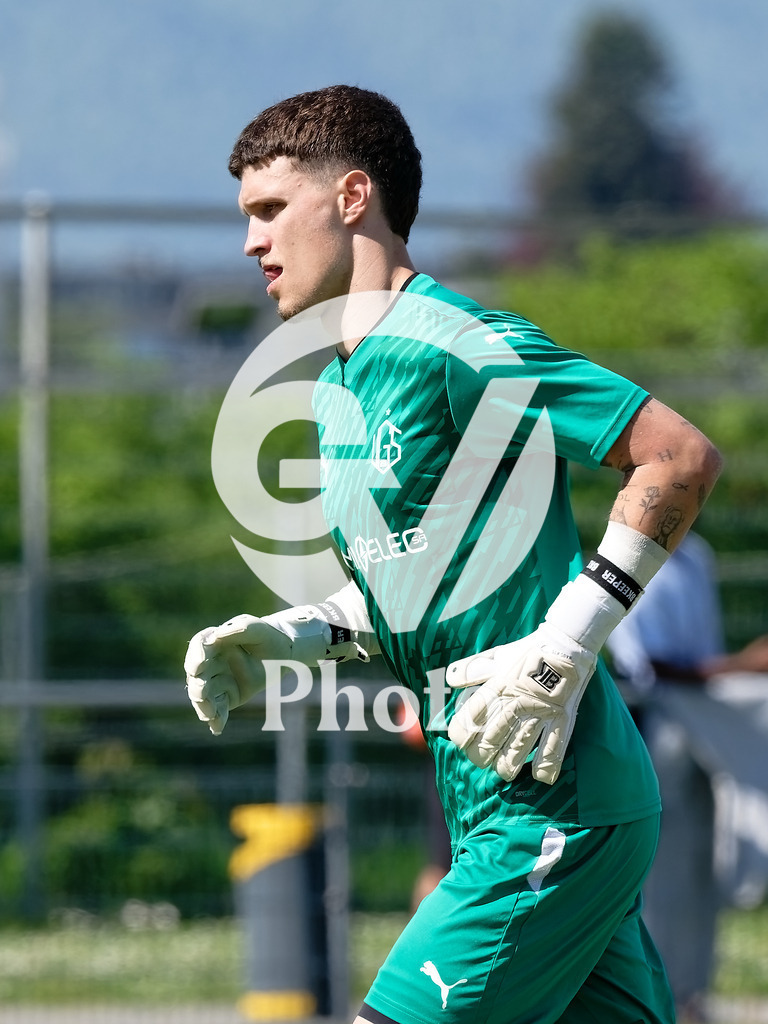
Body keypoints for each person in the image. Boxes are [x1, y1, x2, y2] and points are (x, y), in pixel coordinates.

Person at [183, 85, 723, 1024]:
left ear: (353, 198)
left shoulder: (454, 341)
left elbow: (676, 456)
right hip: (486, 805)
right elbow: (405, 579)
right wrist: (296, 634)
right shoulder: (337, 386)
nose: (251, 243)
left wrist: (566, 646)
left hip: (552, 805)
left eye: (270, 210)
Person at [607, 532, 768, 1023]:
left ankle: (691, 995)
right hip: (655, 727)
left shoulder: (698, 553)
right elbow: (648, 668)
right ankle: (658, 998)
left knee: (701, 863)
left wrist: (731, 676)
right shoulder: (621, 555)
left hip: (704, 726)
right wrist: (742, 666)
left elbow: (702, 653)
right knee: (660, 871)